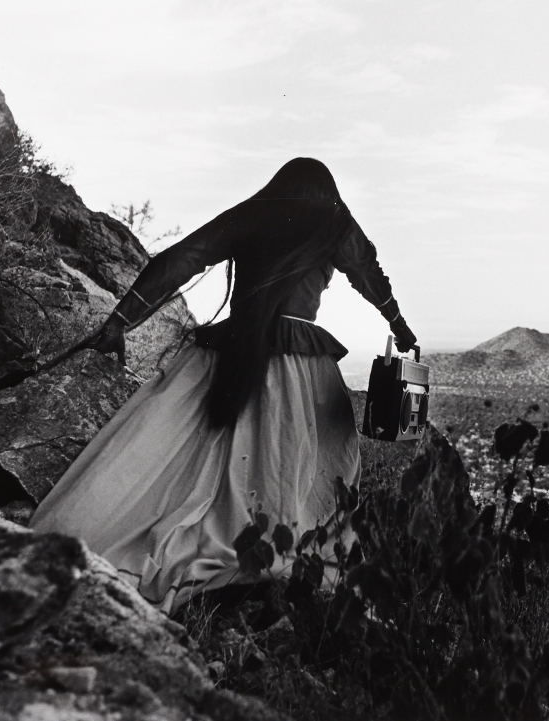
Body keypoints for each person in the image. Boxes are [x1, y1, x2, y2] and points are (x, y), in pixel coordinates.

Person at [29, 158, 416, 614]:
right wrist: (400, 327)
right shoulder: (333, 221)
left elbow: (182, 259)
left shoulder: (255, 211)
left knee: (180, 453)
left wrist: (121, 321)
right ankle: (279, 552)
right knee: (314, 461)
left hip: (227, 352)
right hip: (299, 367)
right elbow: (369, 275)